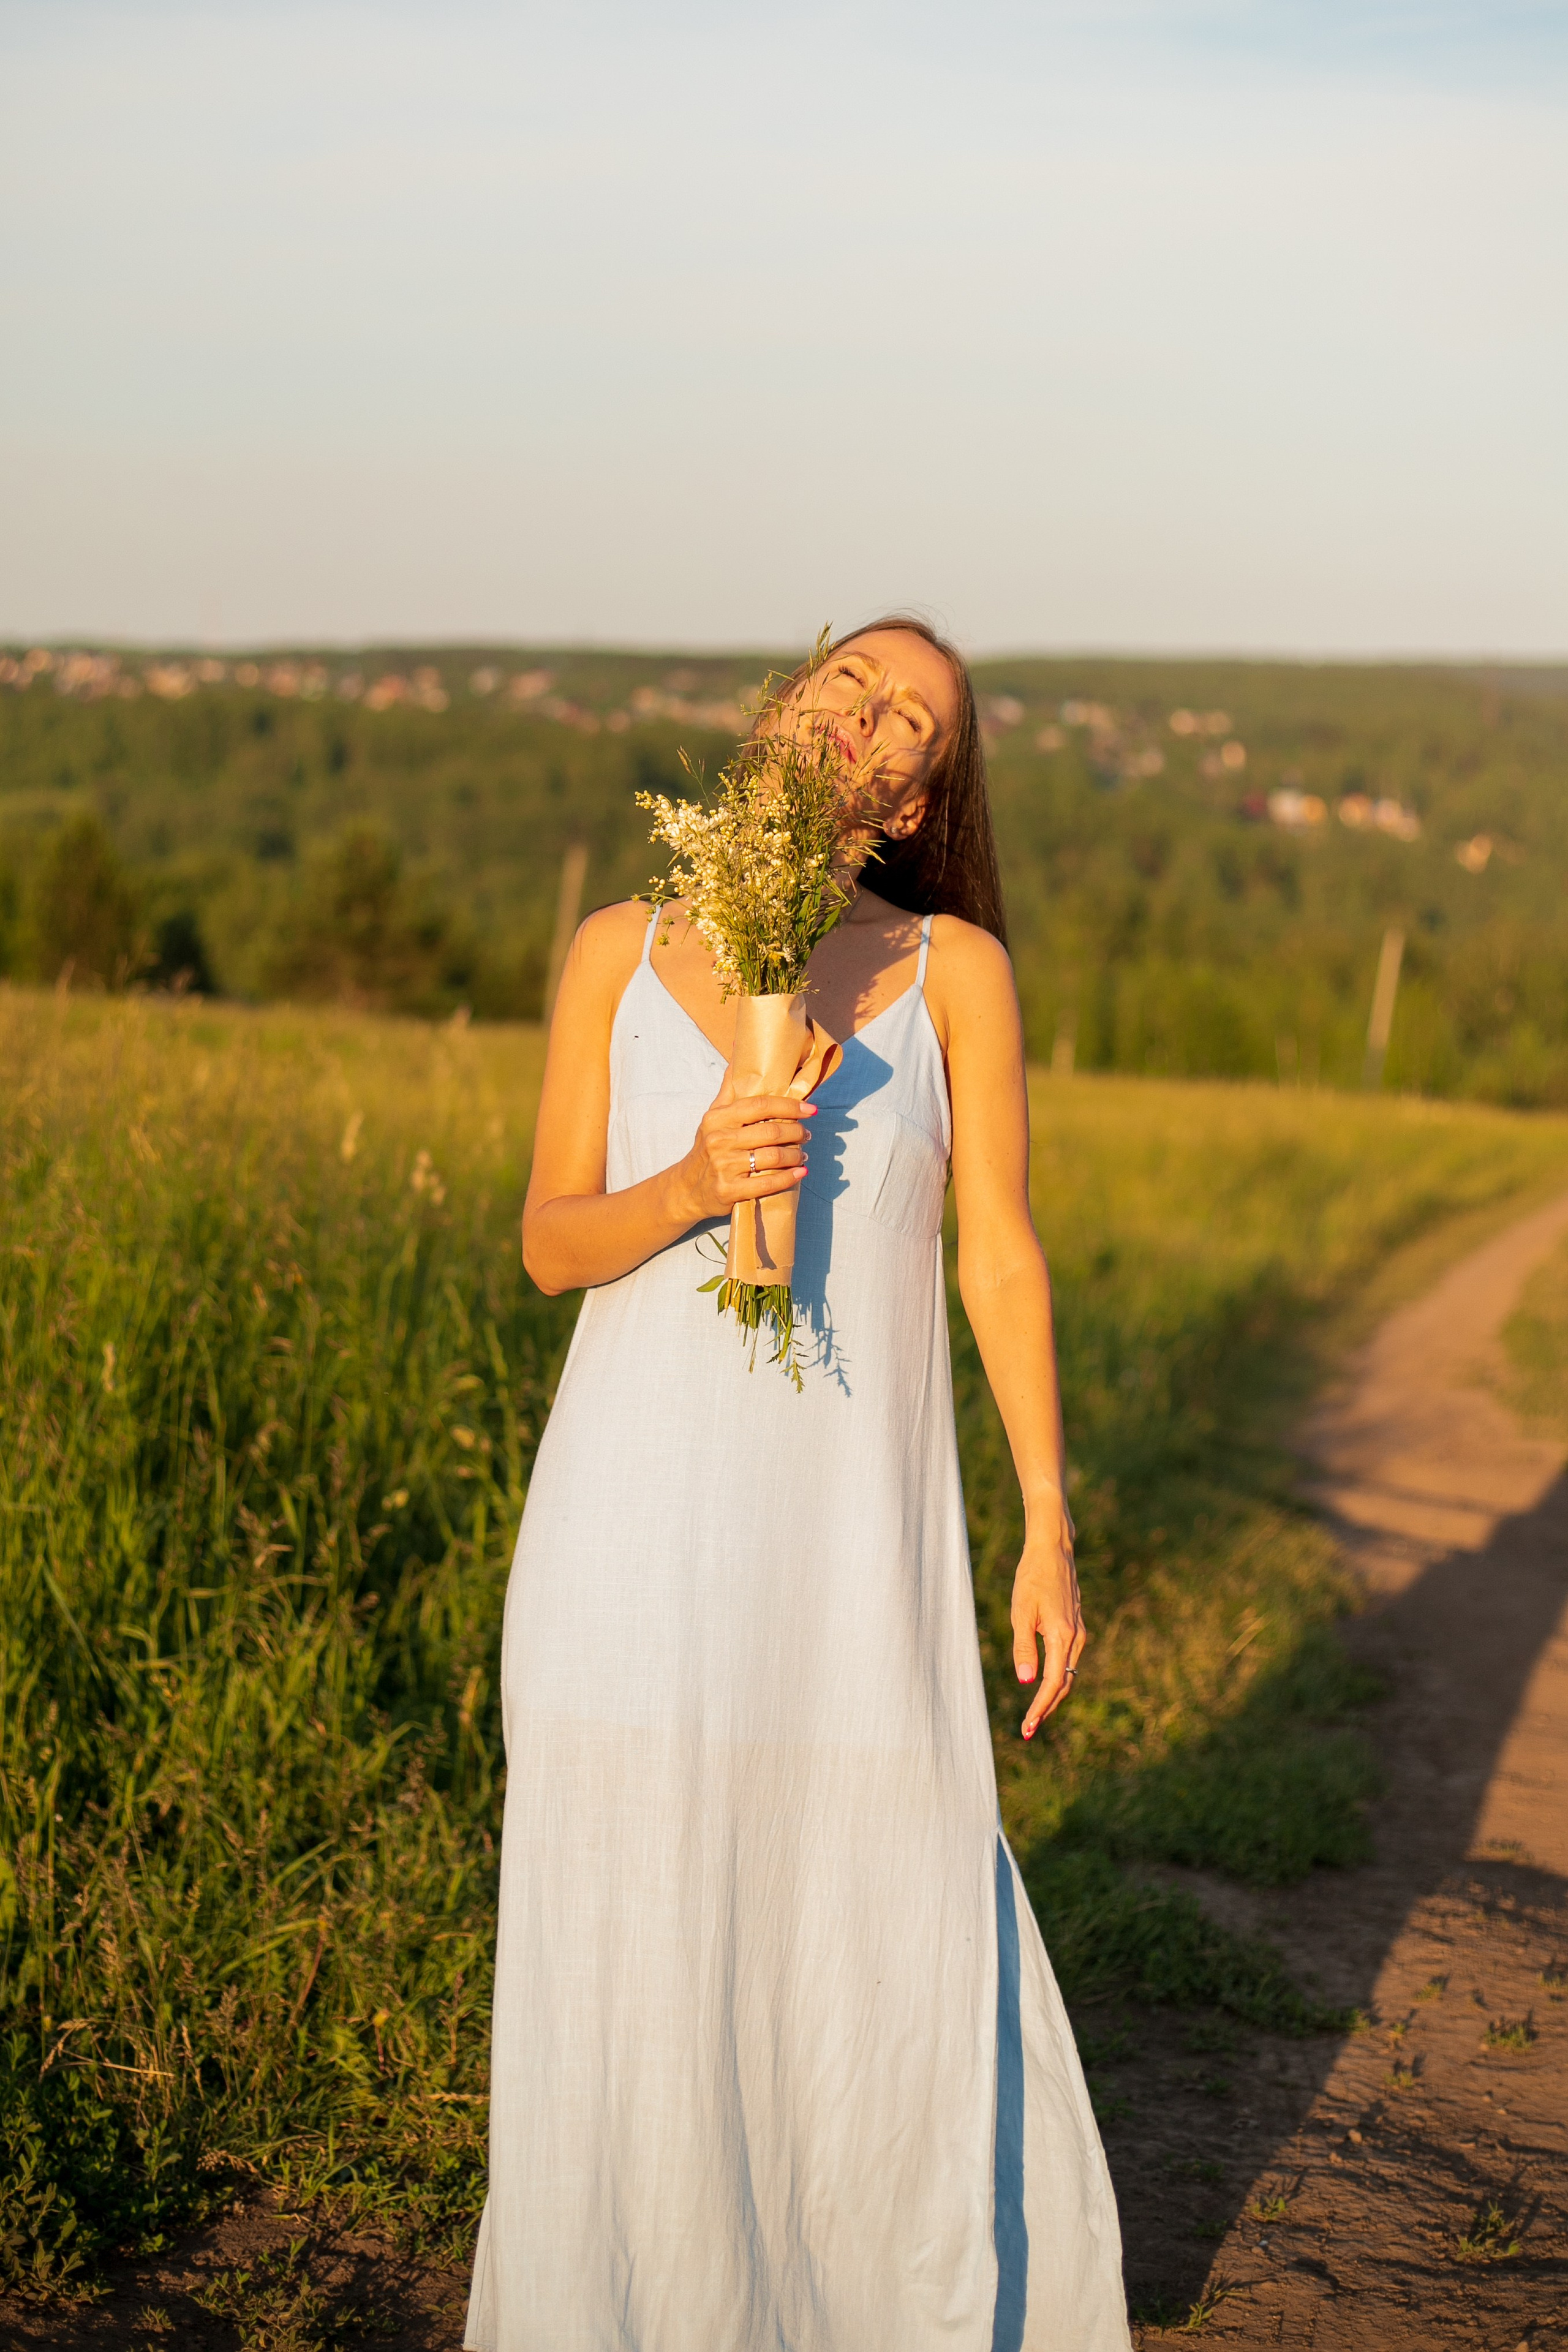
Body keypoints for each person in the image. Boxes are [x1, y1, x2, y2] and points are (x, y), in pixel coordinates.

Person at [464, 619, 1131, 2352]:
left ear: (920, 796)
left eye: (914, 720)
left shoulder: (953, 973)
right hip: (630, 1533)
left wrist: (1046, 1524)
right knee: (635, 1947)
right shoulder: (620, 947)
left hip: (849, 1556)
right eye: (852, 683)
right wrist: (696, 1179)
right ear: (781, 712)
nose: (874, 720)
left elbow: (997, 1255)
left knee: (862, 1916)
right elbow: (550, 1241)